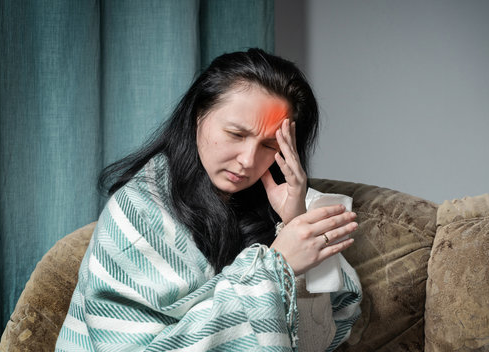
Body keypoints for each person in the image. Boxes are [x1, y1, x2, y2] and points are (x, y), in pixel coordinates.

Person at [55, 48, 361, 351]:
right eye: (236, 134)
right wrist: (274, 268)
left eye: (269, 145)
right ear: (198, 114)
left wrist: (294, 223)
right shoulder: (137, 213)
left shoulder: (281, 206)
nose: (247, 160)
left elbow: (318, 342)